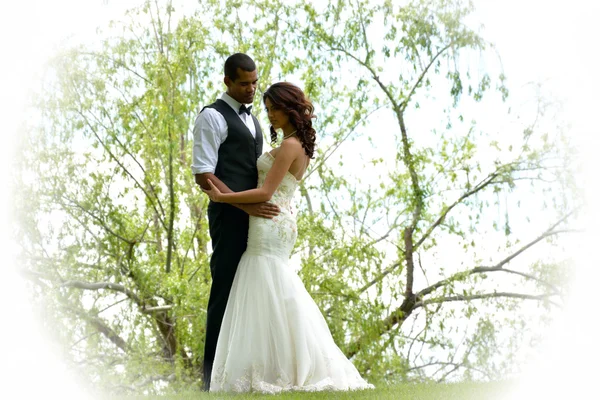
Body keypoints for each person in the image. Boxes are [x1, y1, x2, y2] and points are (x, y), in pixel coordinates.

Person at [202, 82, 375, 393]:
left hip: (270, 221)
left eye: (275, 109)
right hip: (276, 220)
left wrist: (222, 198)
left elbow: (267, 192)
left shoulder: (292, 146)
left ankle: (287, 366)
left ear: (290, 108)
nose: (270, 115)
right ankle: (272, 363)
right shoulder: (294, 145)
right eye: (267, 110)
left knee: (268, 283)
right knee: (268, 288)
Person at [191, 53, 280, 391]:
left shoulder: (255, 120)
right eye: (244, 83)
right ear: (227, 80)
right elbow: (204, 175)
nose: (251, 89)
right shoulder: (212, 117)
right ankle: (210, 380)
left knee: (254, 292)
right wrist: (245, 208)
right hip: (229, 217)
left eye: (255, 83)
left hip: (256, 221)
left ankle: (248, 375)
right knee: (226, 292)